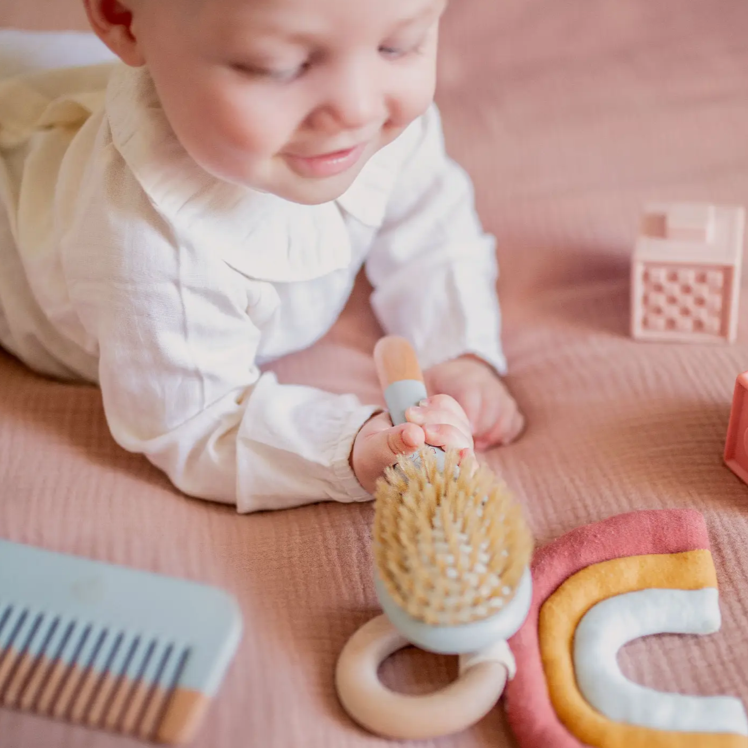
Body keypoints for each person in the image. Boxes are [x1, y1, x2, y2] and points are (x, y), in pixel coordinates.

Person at [0, 0, 524, 512]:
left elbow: (432, 225)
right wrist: (348, 444)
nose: (358, 109)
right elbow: (199, 422)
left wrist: (457, 350)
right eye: (280, 67)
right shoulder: (146, 244)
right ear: (121, 17)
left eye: (399, 44)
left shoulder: (377, 110)